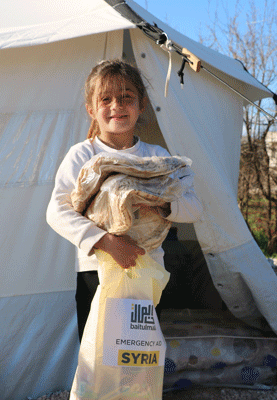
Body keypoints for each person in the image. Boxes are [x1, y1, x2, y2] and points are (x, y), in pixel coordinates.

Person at [46, 59, 203, 341]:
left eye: (126, 98)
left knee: (138, 350)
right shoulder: (83, 156)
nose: (116, 106)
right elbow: (57, 211)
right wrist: (108, 242)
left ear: (141, 105)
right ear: (91, 110)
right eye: (106, 99)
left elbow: (193, 208)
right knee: (100, 353)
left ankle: (144, 388)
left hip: (148, 269)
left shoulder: (158, 158)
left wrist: (161, 204)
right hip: (98, 271)